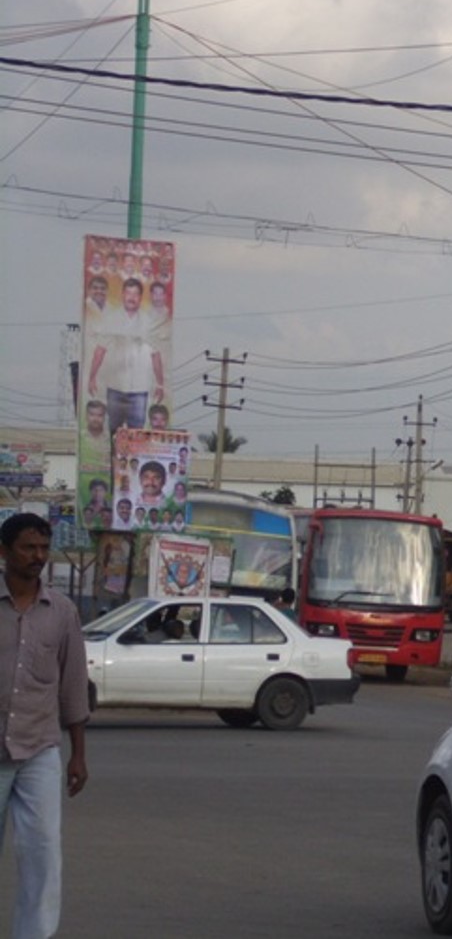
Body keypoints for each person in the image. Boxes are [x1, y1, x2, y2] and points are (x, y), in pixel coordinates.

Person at [0, 513, 90, 939]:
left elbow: (72, 684)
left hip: (39, 752)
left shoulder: (62, 612)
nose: (37, 556)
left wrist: (79, 754)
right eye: (27, 547)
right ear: (4, 551)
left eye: (43, 548)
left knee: (43, 856)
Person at [86, 277, 166, 437]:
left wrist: (160, 384)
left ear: (140, 298)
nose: (131, 297)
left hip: (139, 389)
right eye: (128, 293)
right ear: (122, 295)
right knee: (114, 433)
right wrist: (92, 377)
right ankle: (113, 462)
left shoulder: (148, 322)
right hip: (115, 388)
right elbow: (99, 351)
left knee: (136, 435)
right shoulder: (111, 319)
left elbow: (156, 355)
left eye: (135, 294)